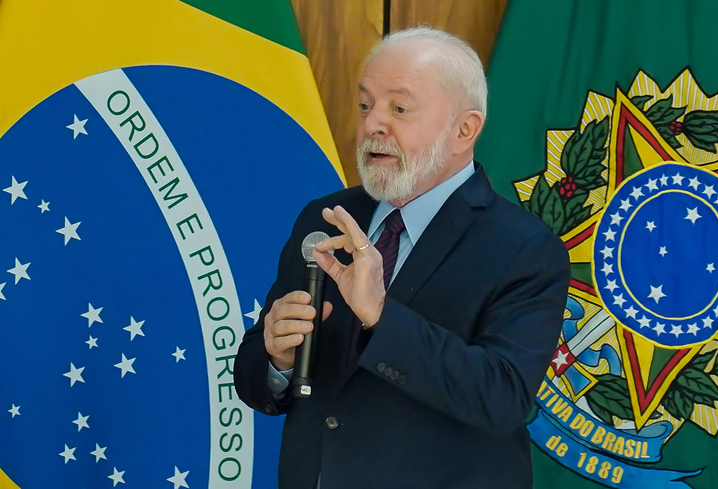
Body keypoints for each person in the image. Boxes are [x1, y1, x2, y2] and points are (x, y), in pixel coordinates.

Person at [234, 26, 570, 489]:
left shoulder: (525, 249)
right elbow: (260, 384)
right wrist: (277, 358)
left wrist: (381, 316)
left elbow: (502, 399)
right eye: (366, 105)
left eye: (399, 108)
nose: (373, 124)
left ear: (464, 130)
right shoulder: (327, 216)